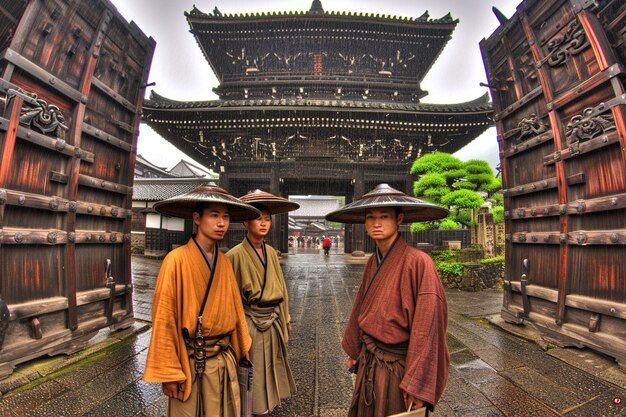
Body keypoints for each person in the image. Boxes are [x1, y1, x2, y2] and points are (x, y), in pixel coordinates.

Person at [325, 183, 450, 416]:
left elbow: (428, 328)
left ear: (399, 219)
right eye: (370, 217)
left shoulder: (419, 263)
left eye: (384, 216)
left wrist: (417, 385)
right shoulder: (374, 261)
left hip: (399, 371)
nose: (376, 223)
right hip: (371, 360)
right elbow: (361, 306)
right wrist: (355, 349)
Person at [143, 184, 261, 417]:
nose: (221, 223)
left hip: (223, 358)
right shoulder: (175, 261)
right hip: (190, 362)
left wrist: (242, 346)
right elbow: (164, 318)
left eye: (226, 217)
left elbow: (235, 309)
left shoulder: (225, 262)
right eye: (214, 215)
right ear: (197, 218)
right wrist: (169, 373)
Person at [226, 190, 299, 416]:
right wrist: (238, 334)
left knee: (270, 367)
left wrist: (286, 318)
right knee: (253, 371)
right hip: (251, 321)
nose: (264, 223)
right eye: (259, 218)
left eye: (267, 219)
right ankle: (253, 409)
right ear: (246, 221)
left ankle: (266, 407)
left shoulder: (270, 252)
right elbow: (232, 300)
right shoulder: (234, 255)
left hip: (273, 319)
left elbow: (282, 289)